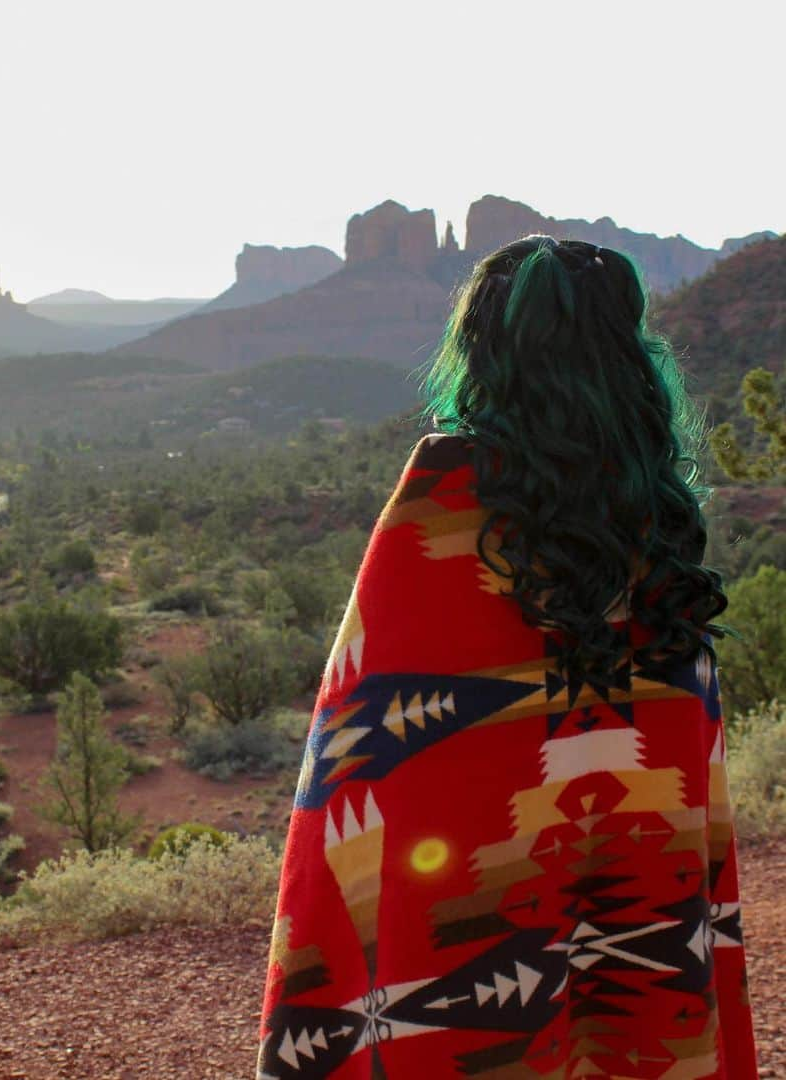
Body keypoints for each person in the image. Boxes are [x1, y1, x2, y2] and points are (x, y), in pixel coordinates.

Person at [256, 236, 759, 1079]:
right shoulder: (658, 527)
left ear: (485, 350)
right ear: (628, 351)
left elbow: (364, 739)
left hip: (460, 931)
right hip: (636, 901)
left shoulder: (440, 508)